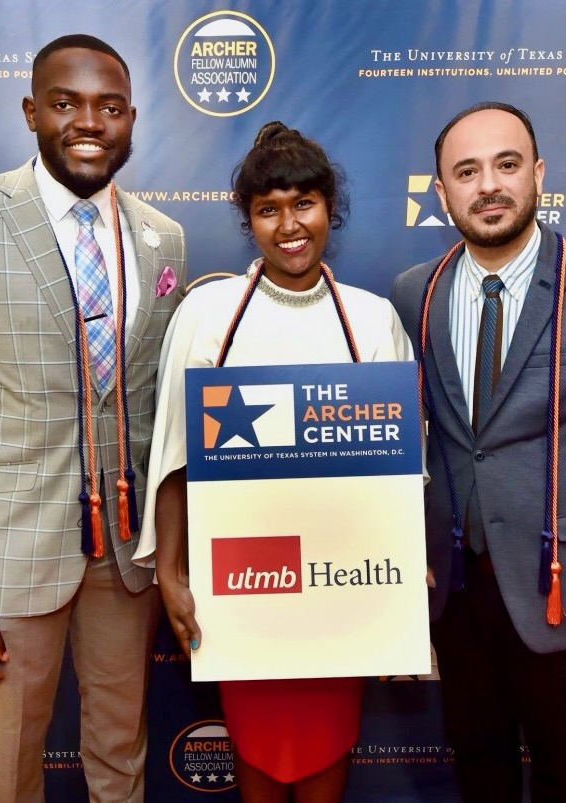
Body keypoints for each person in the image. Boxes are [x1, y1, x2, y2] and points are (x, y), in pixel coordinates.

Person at [0, 33, 186, 803]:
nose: (88, 122)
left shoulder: (163, 237)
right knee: (5, 766)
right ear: (32, 112)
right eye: (66, 103)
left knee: (121, 752)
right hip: (7, 557)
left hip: (126, 555)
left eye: (109, 107)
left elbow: (155, 406)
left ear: (131, 119)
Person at [390, 102, 566, 802]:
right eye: (467, 172)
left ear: (539, 174)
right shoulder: (413, 294)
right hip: (455, 592)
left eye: (507, 164)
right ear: (442, 192)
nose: (488, 184)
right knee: (478, 769)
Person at [134, 121, 413, 802]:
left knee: (327, 746)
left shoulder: (372, 319)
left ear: (329, 209)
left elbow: (404, 473)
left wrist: (402, 586)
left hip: (342, 582)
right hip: (242, 581)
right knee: (257, 748)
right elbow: (174, 455)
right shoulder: (208, 314)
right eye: (268, 209)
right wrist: (170, 572)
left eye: (303, 204)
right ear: (249, 221)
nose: (289, 226)